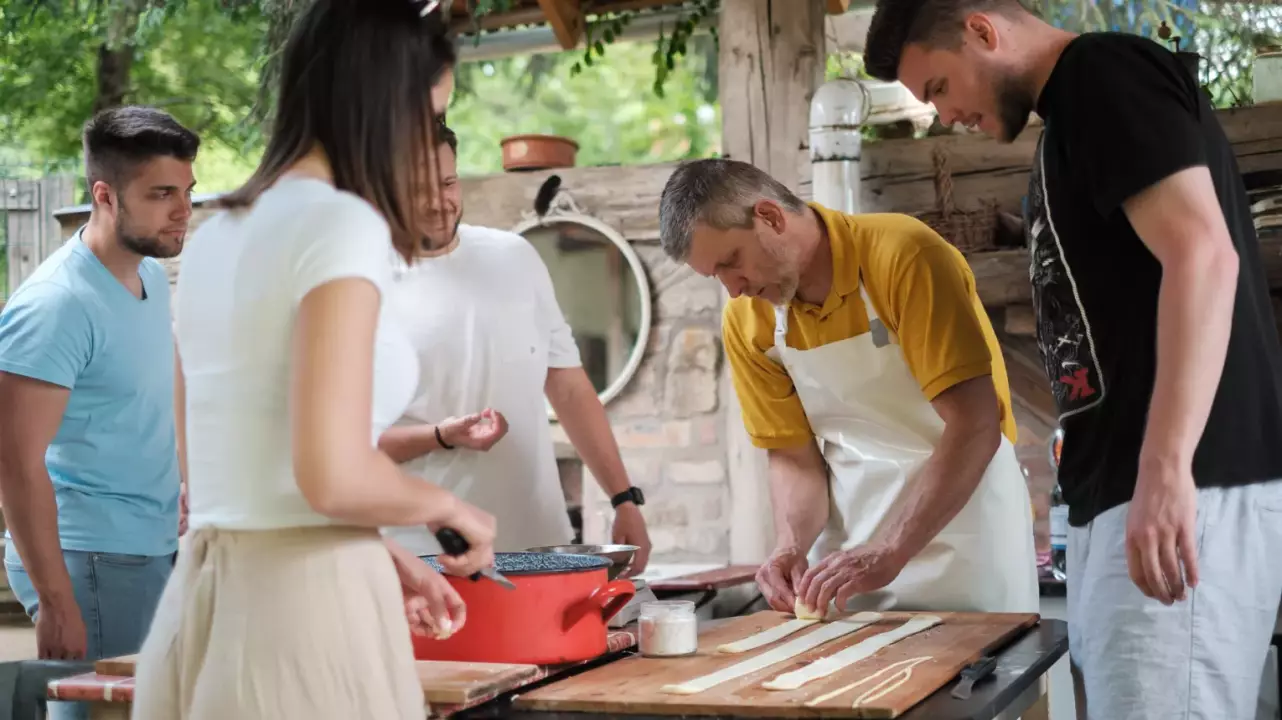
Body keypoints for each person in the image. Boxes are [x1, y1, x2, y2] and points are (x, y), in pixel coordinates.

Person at [863, 3, 1282, 718]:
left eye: (937, 88)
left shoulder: (1101, 75)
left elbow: (1203, 254)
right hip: (1130, 494)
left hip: (1184, 488)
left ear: (982, 31)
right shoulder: (1069, 122)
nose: (942, 115)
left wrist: (1166, 465)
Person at [130, 2, 497, 718]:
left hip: (206, 600)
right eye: (428, 116)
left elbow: (229, 479)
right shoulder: (340, 223)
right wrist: (453, 510)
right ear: (383, 102)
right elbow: (329, 472)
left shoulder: (219, 234)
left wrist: (383, 553)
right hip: (303, 615)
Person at [658, 158, 1038, 618]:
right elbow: (794, 457)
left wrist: (892, 549)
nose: (733, 290)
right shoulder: (746, 319)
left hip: (968, 540)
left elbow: (975, 424)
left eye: (731, 262)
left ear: (771, 217)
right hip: (849, 558)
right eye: (715, 277)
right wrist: (791, 546)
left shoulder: (905, 255)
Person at [380, 123, 652, 573]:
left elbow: (568, 387)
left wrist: (624, 499)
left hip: (539, 545)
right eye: (418, 189)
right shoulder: (365, 285)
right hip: (425, 556)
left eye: (448, 182)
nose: (438, 201)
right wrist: (442, 436)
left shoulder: (516, 256)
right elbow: (348, 448)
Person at [0, 106, 197, 671]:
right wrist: (58, 598)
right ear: (105, 195)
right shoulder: (56, 306)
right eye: (162, 194)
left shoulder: (149, 274)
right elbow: (14, 462)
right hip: (89, 555)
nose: (183, 210)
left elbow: (162, 372)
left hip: (146, 541)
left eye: (187, 190)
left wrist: (180, 473)